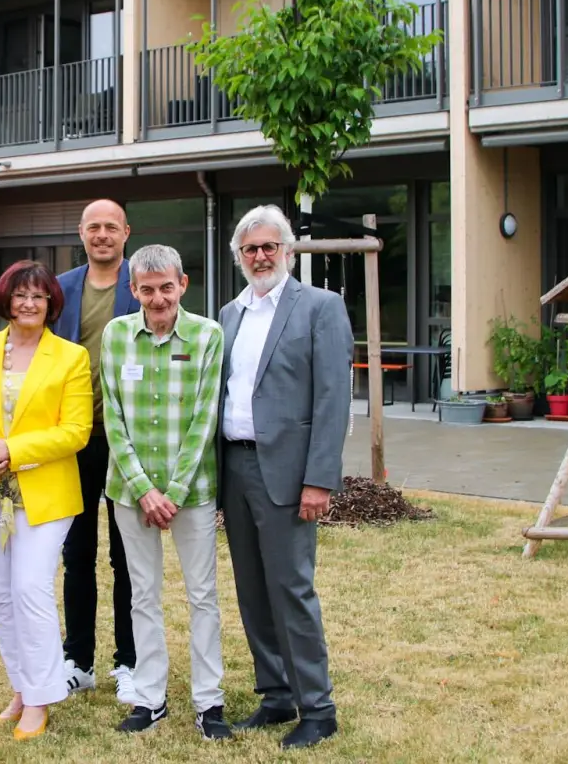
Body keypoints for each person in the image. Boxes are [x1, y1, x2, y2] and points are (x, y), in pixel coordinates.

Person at [216, 205, 350, 750]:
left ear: (289, 252)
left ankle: (317, 708)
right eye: (251, 249)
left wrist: (319, 480)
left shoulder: (320, 307)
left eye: (270, 246)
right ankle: (275, 695)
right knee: (251, 589)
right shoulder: (228, 314)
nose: (261, 256)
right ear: (239, 257)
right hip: (235, 466)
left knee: (291, 588)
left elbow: (333, 400)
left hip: (290, 474)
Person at [0, 260, 92, 742]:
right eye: (20, 295)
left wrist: (13, 450)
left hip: (44, 496)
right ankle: (22, 688)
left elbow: (76, 431)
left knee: (30, 589)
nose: (29, 303)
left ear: (52, 304)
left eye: (39, 296)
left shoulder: (71, 357)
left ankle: (43, 695)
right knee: (3, 597)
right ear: (5, 299)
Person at [98, 245, 230, 739]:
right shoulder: (116, 335)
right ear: (133, 290)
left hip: (191, 491)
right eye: (147, 289)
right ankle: (149, 698)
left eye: (166, 288)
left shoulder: (207, 335)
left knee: (203, 596)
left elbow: (204, 418)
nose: (157, 299)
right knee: (142, 595)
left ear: (183, 285)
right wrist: (143, 489)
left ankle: (208, 702)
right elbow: (113, 416)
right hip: (129, 492)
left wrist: (170, 490)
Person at [51, 199, 140, 703]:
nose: (102, 234)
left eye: (111, 227)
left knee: (127, 558)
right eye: (93, 228)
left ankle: (128, 661)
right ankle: (78, 660)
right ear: (81, 234)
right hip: (74, 440)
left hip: (126, 440)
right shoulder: (60, 290)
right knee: (76, 553)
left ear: (126, 232)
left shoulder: (142, 283)